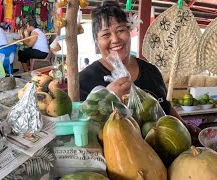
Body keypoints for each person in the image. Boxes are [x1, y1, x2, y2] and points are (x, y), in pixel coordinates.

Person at [79, 1, 200, 141]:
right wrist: (107, 98)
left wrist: (184, 126)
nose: (115, 39)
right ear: (96, 41)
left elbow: (166, 108)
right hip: (118, 160)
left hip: (164, 155)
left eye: (120, 30)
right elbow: (84, 131)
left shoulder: (151, 71)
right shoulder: (86, 79)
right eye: (106, 35)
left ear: (129, 32)